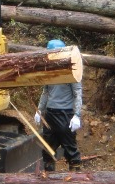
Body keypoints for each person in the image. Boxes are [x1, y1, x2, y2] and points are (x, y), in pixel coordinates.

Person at [35, 39, 82, 171]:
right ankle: (49, 178)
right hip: (50, 114)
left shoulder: (71, 70)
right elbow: (45, 92)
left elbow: (77, 93)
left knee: (70, 147)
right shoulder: (49, 71)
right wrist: (39, 110)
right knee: (48, 147)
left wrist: (77, 115)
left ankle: (75, 178)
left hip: (65, 114)